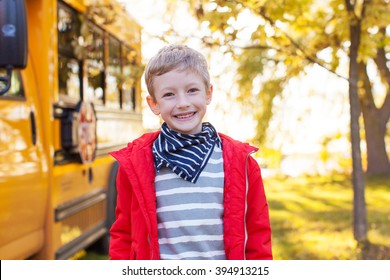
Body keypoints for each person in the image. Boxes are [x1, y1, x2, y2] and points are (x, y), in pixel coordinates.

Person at [109, 44, 272, 260]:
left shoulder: (241, 163)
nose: (183, 103)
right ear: (153, 103)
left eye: (192, 90)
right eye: (169, 94)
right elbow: (123, 234)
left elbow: (258, 236)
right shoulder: (136, 165)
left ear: (208, 93)